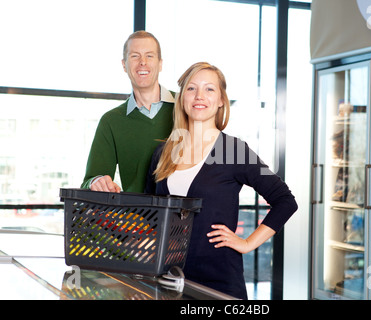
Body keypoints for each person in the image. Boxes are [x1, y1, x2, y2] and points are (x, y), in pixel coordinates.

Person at [145, 62, 298, 299]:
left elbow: (285, 201)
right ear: (182, 98)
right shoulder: (163, 153)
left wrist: (247, 243)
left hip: (218, 283)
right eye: (191, 88)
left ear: (221, 101)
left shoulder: (234, 151)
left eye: (209, 89)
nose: (199, 96)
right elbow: (150, 215)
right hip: (168, 280)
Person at [81, 31, 175, 193]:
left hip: (188, 216)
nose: (142, 62)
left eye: (149, 56)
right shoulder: (111, 121)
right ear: (124, 65)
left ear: (160, 63)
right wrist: (96, 182)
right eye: (135, 56)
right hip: (136, 217)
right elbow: (89, 180)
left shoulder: (186, 106)